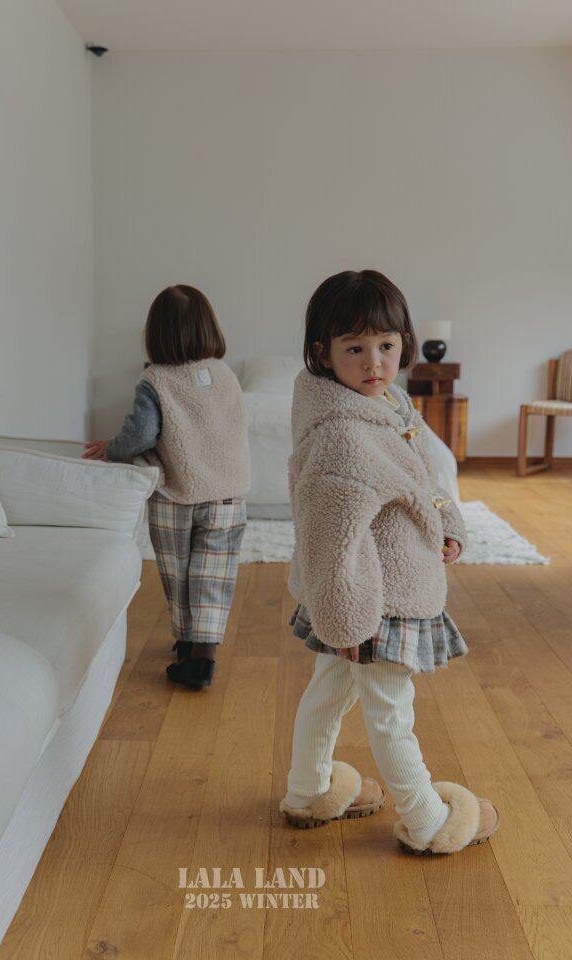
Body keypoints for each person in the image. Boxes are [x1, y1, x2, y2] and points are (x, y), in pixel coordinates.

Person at [279, 269, 499, 855]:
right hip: (371, 599)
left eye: (386, 345)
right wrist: (349, 622)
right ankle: (428, 820)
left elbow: (426, 476)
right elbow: (329, 538)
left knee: (329, 691)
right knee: (389, 710)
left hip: (374, 590)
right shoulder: (342, 436)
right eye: (354, 349)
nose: (374, 362)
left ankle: (307, 790)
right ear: (323, 352)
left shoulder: (392, 404)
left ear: (404, 342)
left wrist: (447, 525)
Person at [84, 284, 250, 690]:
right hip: (227, 494)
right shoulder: (225, 374)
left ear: (156, 334)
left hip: (176, 493)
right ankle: (203, 652)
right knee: (213, 573)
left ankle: (190, 643)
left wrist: (113, 449)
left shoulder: (155, 379)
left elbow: (140, 433)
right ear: (209, 327)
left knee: (178, 572)